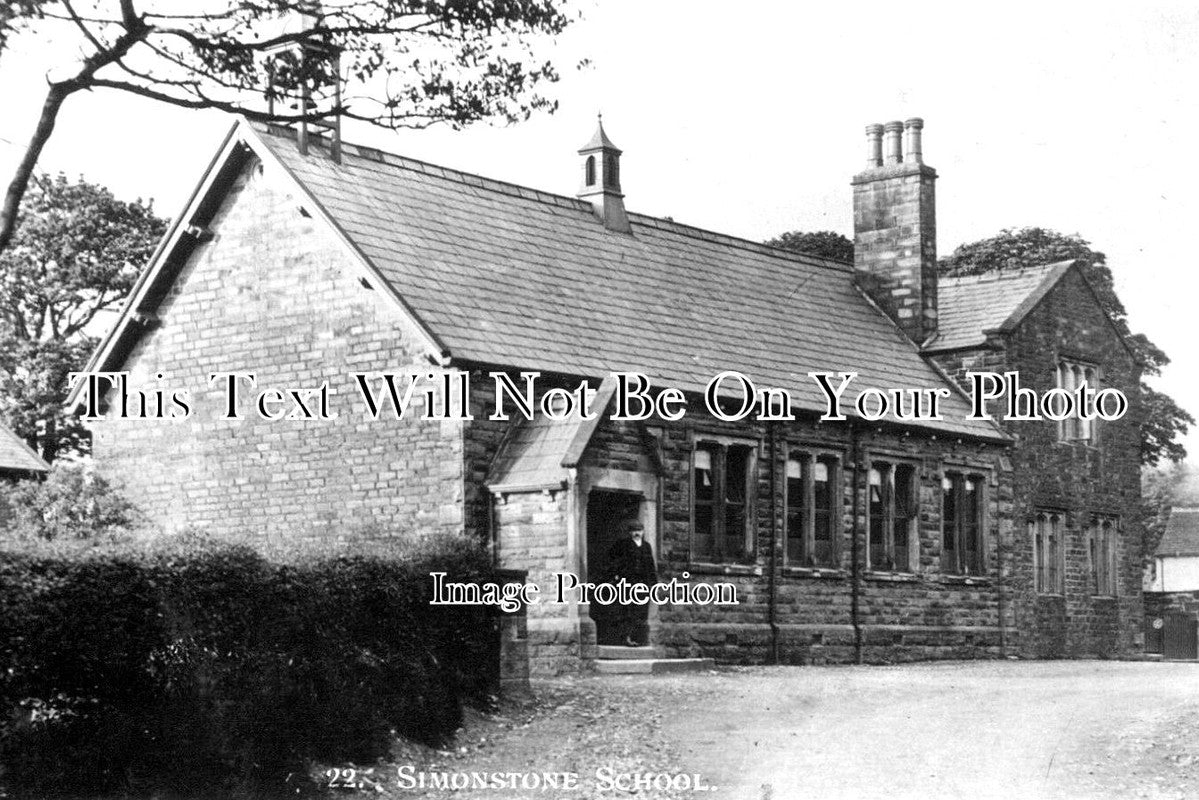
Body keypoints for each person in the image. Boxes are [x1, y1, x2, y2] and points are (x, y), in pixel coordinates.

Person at [606, 518, 657, 647]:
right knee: (627, 610)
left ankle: (639, 638)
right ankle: (625, 637)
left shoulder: (646, 546)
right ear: (630, 532)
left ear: (643, 532)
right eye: (634, 530)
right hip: (628, 582)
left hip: (642, 583)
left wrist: (653, 583)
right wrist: (617, 574)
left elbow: (650, 565)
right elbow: (612, 558)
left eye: (639, 530)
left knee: (640, 610)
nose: (637, 533)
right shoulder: (623, 544)